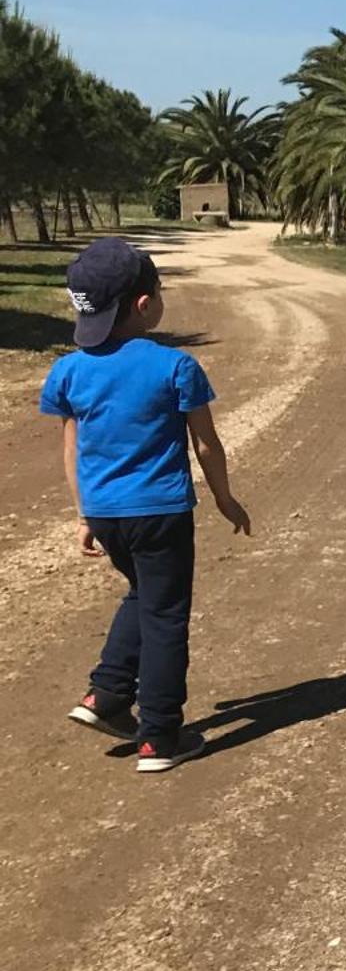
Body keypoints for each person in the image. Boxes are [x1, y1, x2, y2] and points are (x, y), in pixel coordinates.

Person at [42, 237, 252, 771]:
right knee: (165, 616)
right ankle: (159, 735)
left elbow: (73, 447)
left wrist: (85, 514)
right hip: (160, 513)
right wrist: (225, 499)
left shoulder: (69, 371)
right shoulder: (174, 366)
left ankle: (107, 695)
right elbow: (206, 443)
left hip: (108, 515)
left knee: (144, 594)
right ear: (144, 304)